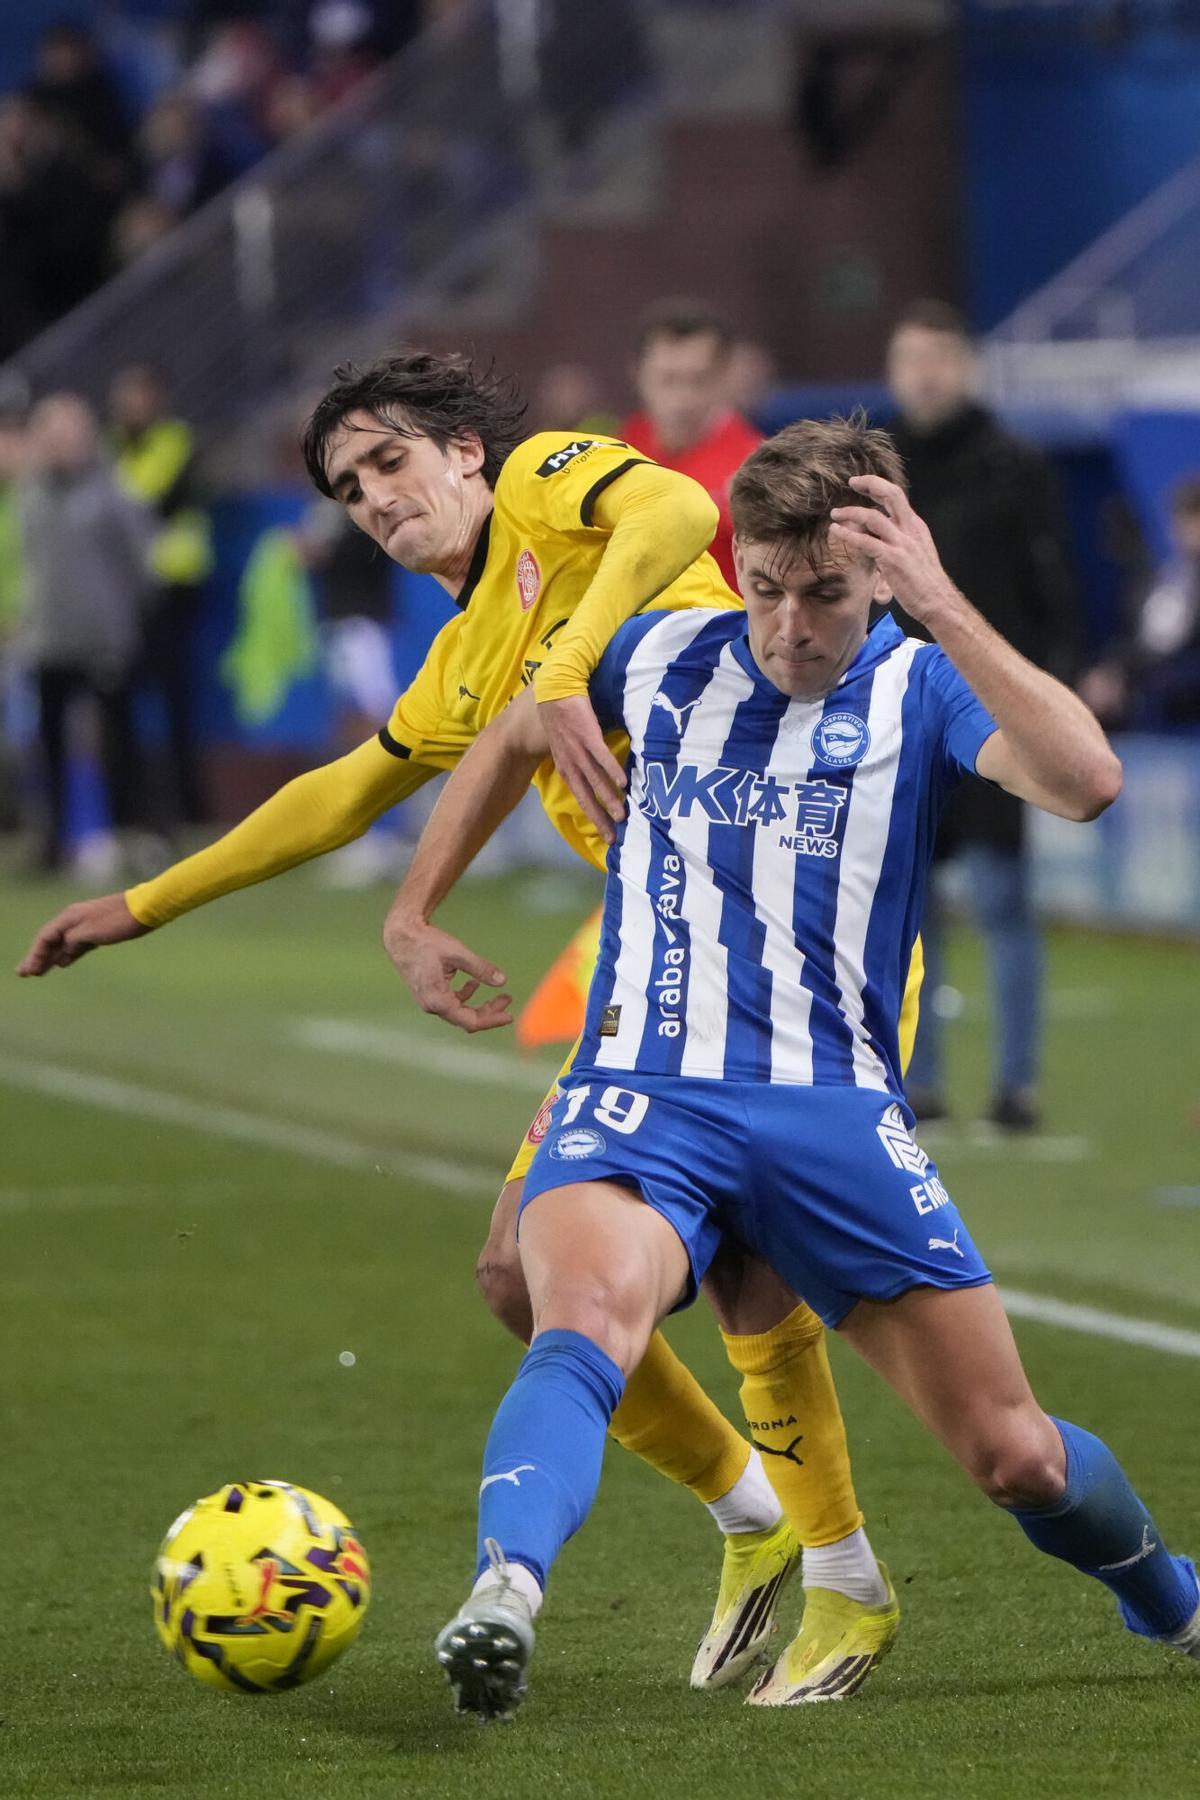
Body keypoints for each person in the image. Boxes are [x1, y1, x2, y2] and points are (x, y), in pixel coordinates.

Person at [19, 350, 899, 1700]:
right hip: (662, 950)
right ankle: (755, 1517)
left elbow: (677, 512)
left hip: (782, 923)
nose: (374, 496)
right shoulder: (456, 659)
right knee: (514, 1275)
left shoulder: (551, 485)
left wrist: (565, 655)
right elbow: (339, 794)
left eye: (390, 461)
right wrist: (145, 901)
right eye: (347, 486)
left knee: (748, 1273)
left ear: (464, 454)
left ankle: (843, 1576)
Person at [381, 419, 1194, 1727]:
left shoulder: (917, 686)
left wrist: (936, 599)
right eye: (766, 586)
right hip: (648, 1091)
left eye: (825, 593)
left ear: (876, 579)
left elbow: (1088, 778)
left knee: (1014, 1454)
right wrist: (415, 911)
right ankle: (505, 1592)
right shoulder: (655, 659)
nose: (790, 625)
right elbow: (522, 729)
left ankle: (1168, 1593)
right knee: (572, 1314)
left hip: (832, 1113)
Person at [886, 300, 1079, 1131]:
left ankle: (1017, 1087)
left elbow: (1055, 594)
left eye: (940, 357)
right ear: (894, 373)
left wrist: (1052, 699)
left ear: (965, 365)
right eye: (912, 359)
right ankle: (914, 1083)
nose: (926, 374)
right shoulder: (875, 470)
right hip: (897, 718)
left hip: (996, 719)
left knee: (1004, 905)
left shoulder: (1016, 465)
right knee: (906, 913)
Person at [15, 393, 154, 872]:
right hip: (45, 642)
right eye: (51, 434)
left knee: (119, 744)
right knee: (49, 748)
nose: (60, 443)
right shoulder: (27, 493)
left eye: (68, 432)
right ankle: (52, 844)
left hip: (104, 641)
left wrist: (119, 618)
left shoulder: (111, 490)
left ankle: (129, 839)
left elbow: (141, 561)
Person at [110, 362, 213, 827]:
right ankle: (131, 817)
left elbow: (160, 503)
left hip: (174, 587)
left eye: (139, 394)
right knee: (119, 704)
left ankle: (188, 813)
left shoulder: (179, 442)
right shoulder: (107, 447)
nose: (130, 405)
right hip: (122, 592)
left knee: (176, 702)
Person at [621, 299, 763, 591]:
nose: (682, 399)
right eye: (667, 379)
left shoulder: (760, 467)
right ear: (637, 374)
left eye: (698, 380)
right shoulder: (613, 453)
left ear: (725, 376)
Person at [1079, 475, 1200, 732]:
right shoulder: (1170, 576)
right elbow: (1152, 637)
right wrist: (1114, 670)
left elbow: (1173, 643)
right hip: (1154, 694)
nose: (1185, 531)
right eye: (1180, 520)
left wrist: (1123, 673)